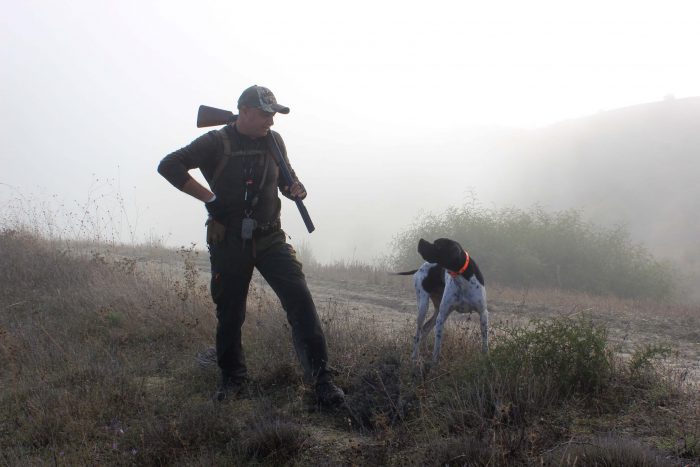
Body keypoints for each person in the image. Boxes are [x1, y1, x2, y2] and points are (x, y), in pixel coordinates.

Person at [157, 85, 345, 406]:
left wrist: (294, 188)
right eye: (264, 114)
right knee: (230, 314)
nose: (270, 121)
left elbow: (285, 179)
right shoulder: (215, 142)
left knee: (301, 302)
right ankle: (233, 380)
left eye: (273, 114)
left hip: (271, 237)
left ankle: (322, 380)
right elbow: (169, 165)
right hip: (229, 239)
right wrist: (210, 198)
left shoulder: (274, 141)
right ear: (243, 112)